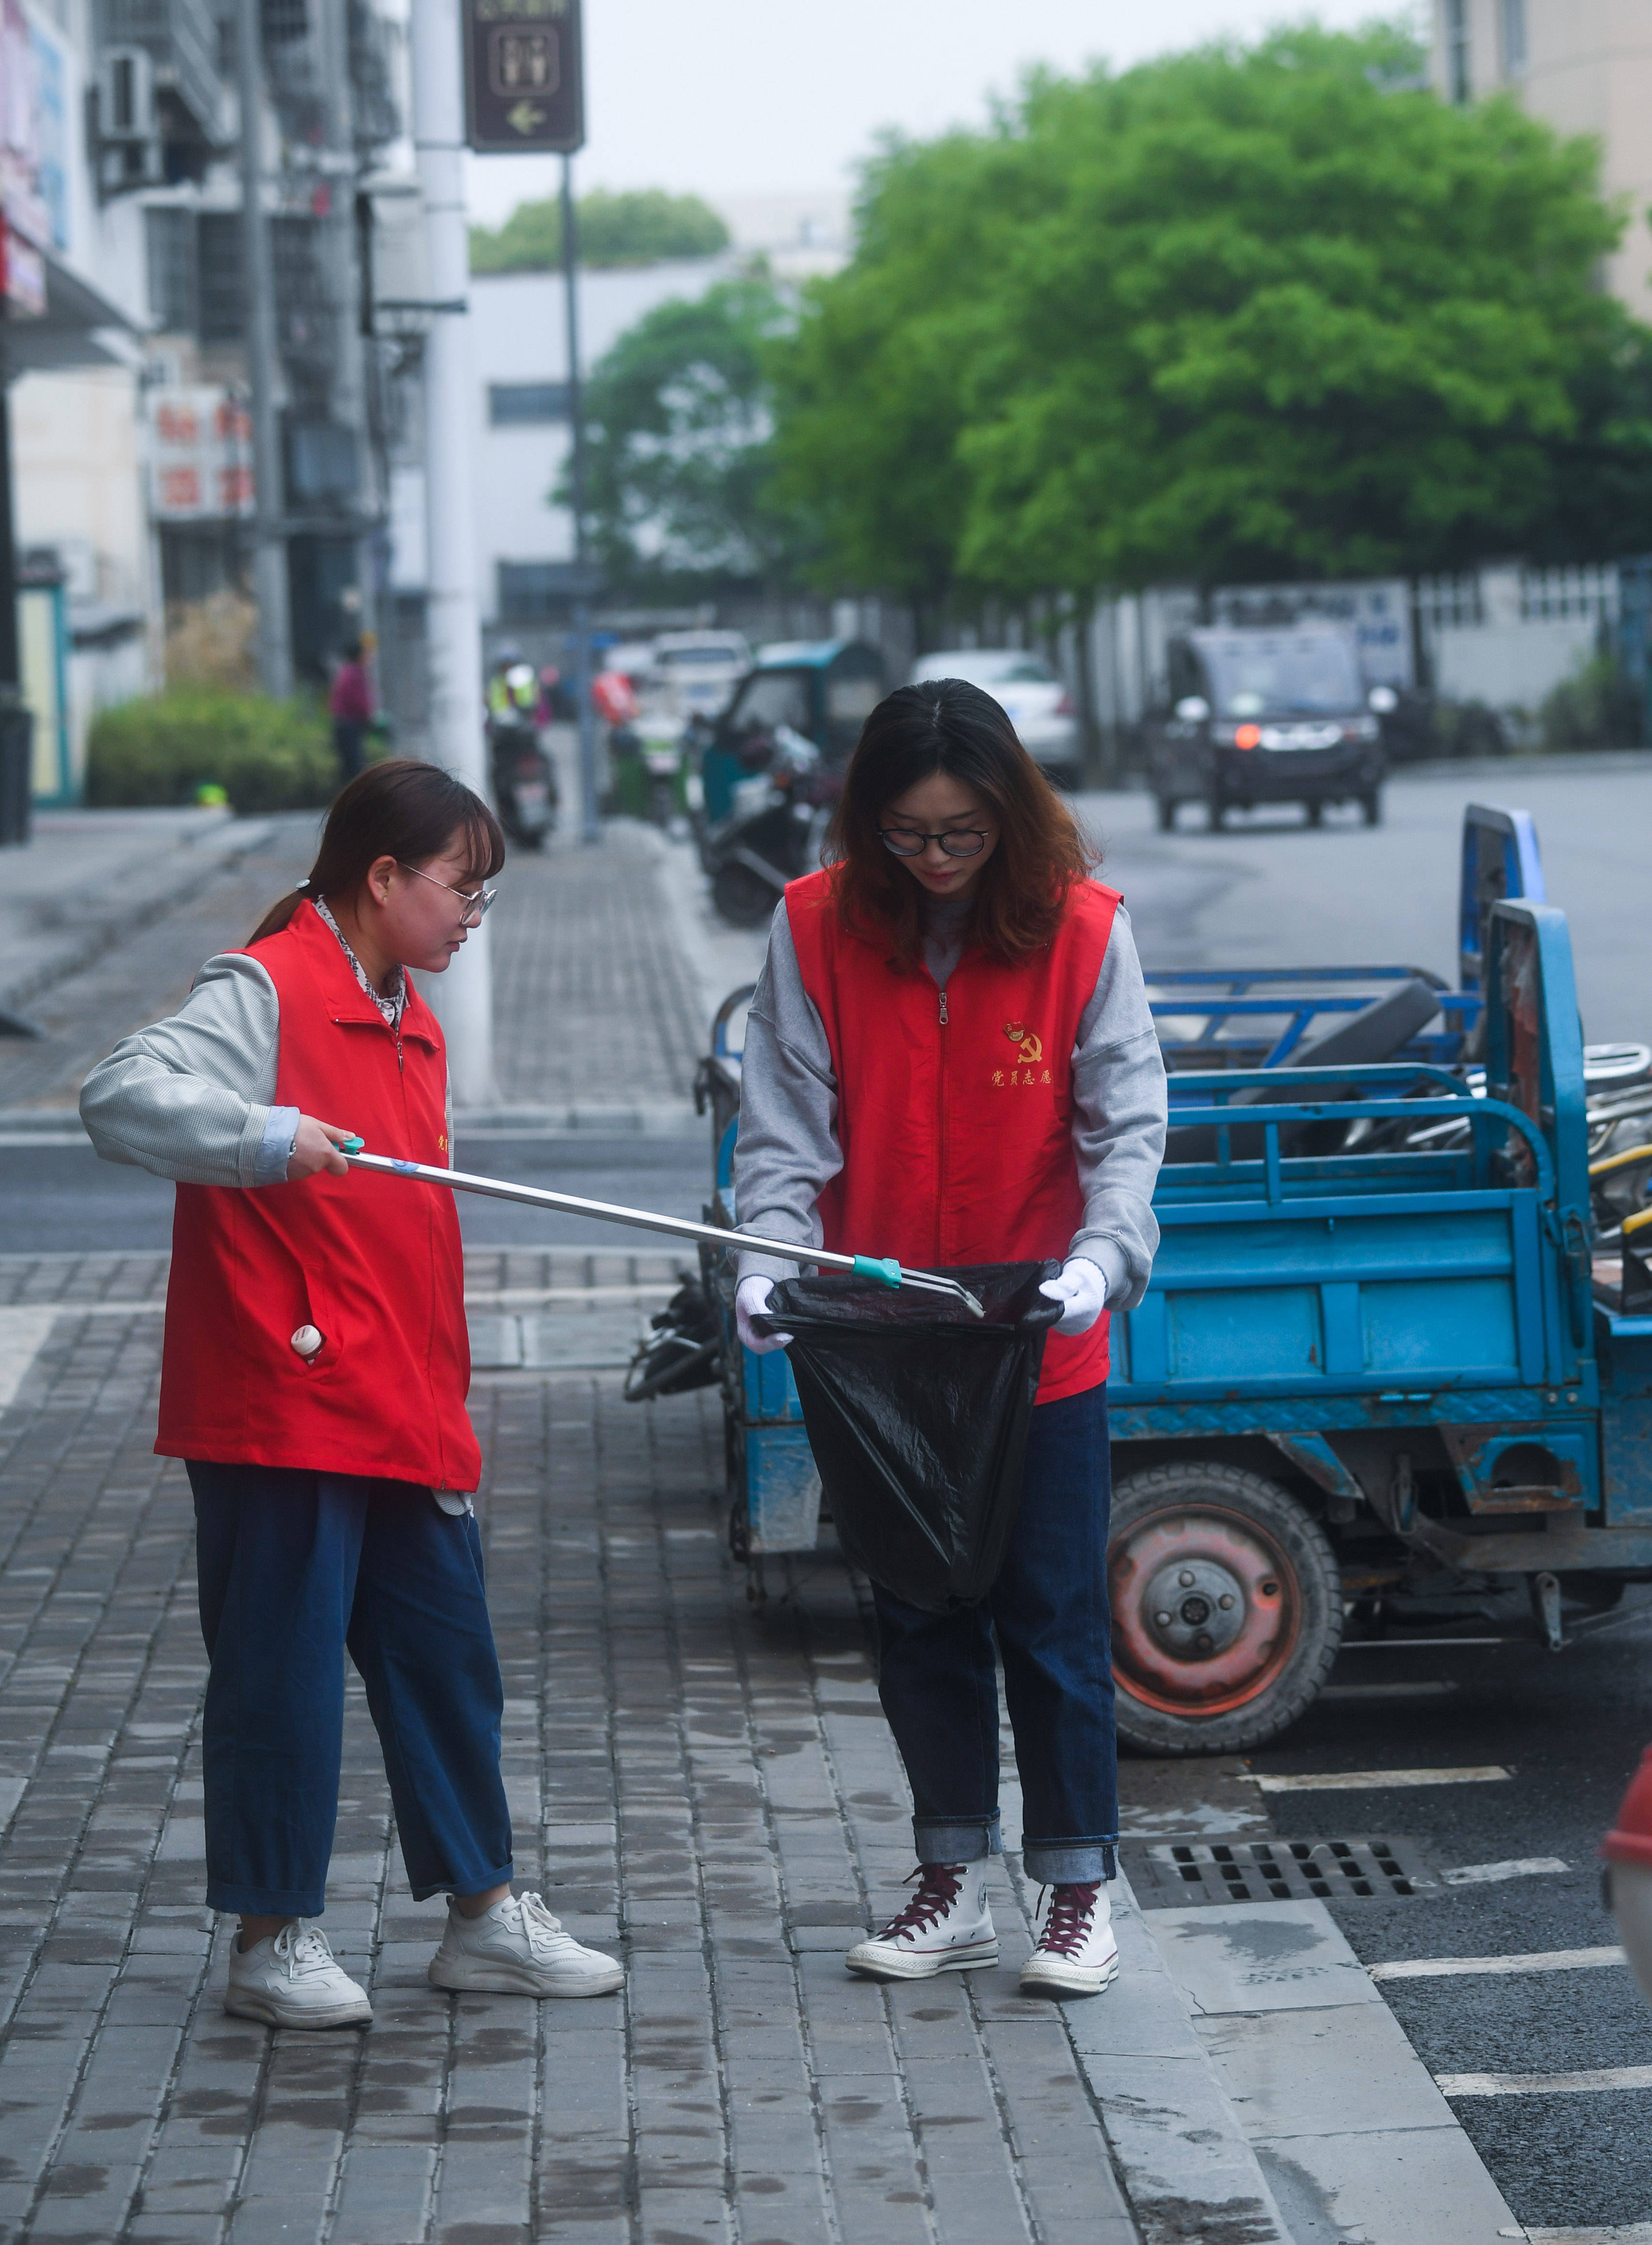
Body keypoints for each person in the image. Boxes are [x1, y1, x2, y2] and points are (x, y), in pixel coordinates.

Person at [79, 758, 622, 2031]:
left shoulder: (406, 1009)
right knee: (281, 1672)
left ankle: (482, 1916)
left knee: (447, 1661)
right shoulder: (265, 983)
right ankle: (271, 1936)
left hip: (402, 1394)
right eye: (460, 886)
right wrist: (266, 1132)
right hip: (284, 1394)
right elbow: (118, 1096)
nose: (474, 913)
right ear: (381, 877)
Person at [732, 680, 1166, 1998]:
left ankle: (1079, 1888)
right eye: (909, 836)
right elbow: (784, 1130)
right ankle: (951, 1880)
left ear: (1008, 818)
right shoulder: (812, 926)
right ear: (867, 823)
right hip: (884, 1347)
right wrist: (765, 1259)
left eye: (962, 835)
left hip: (1037, 1337)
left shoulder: (1083, 932)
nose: (935, 862)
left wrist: (1103, 1260)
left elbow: (1125, 1125)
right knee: (920, 1611)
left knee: (1052, 1619)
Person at [327, 637, 375, 783]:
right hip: (349, 725)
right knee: (355, 766)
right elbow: (358, 702)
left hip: (344, 725)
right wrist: (369, 717)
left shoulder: (347, 672)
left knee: (351, 765)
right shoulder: (354, 674)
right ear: (359, 656)